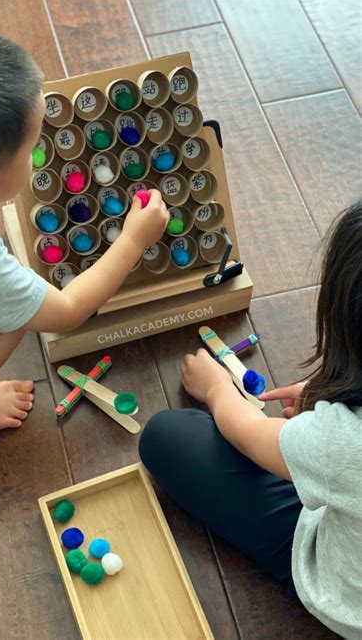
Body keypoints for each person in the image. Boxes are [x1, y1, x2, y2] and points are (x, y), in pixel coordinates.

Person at [0, 24, 169, 436]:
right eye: (32, 149)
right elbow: (67, 311)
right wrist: (132, 240)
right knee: (17, 309)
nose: (39, 156)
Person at [140, 202, 362, 638]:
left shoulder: (343, 442)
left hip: (346, 599)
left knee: (167, 436)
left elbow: (248, 432)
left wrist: (216, 387)